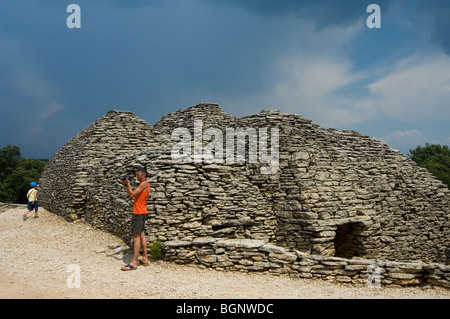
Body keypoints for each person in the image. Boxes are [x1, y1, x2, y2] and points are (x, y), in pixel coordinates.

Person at [120, 168, 150, 271]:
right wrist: (127, 184)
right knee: (141, 234)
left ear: (143, 174)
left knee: (136, 236)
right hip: (142, 211)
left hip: (138, 212)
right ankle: (145, 258)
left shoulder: (144, 184)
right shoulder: (142, 185)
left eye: (138, 175)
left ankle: (134, 262)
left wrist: (128, 184)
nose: (136, 177)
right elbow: (130, 194)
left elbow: (132, 194)